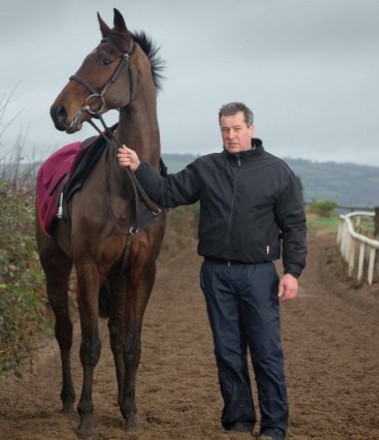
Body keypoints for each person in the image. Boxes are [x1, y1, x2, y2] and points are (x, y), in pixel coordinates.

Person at [116, 102, 307, 440]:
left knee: (266, 351)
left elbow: (294, 226)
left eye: (236, 128)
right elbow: (166, 192)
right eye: (224, 130)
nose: (230, 136)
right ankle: (239, 422)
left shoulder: (278, 172)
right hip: (216, 274)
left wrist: (292, 271)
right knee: (227, 351)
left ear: (251, 127)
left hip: (259, 275)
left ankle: (274, 427)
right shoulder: (206, 168)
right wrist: (138, 167)